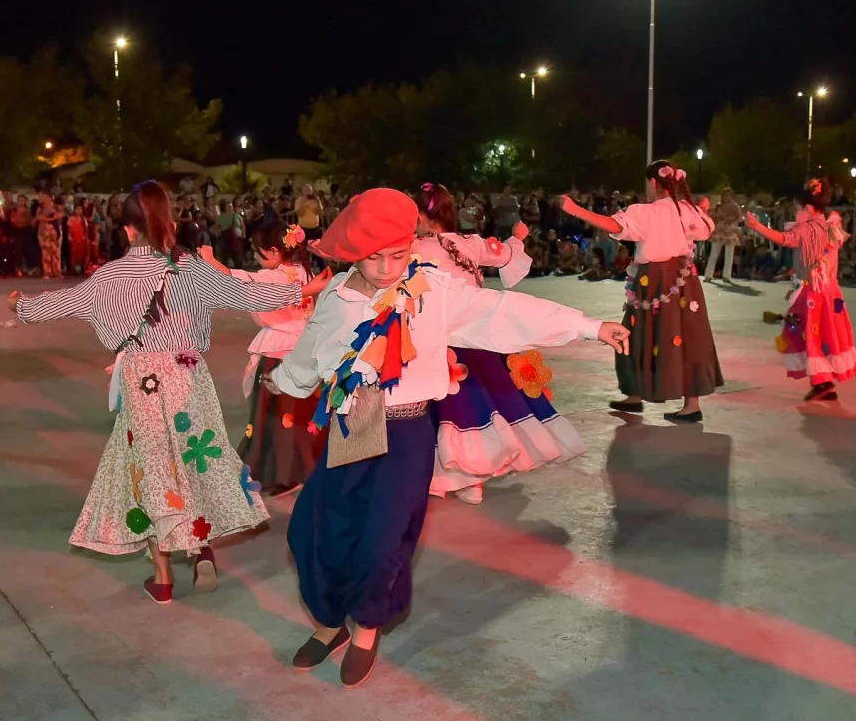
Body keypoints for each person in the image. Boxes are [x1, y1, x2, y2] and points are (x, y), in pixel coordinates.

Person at [269, 188, 628, 688]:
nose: (387, 267)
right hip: (351, 424)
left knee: (381, 542)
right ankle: (330, 623)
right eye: (375, 257)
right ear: (354, 250)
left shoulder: (431, 291)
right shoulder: (336, 296)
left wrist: (588, 326)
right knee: (311, 531)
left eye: (398, 254)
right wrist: (284, 384)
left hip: (408, 428)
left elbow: (502, 312)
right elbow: (309, 357)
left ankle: (367, 628)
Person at [8, 181, 332, 603]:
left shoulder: (107, 277)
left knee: (150, 467)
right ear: (169, 221)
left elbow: (53, 306)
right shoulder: (189, 269)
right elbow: (242, 292)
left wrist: (19, 304)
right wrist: (302, 290)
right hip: (187, 374)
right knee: (196, 456)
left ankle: (161, 578)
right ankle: (201, 548)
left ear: (127, 230)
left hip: (140, 378)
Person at [414, 183, 586, 504]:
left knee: (450, 409)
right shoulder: (472, 243)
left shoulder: (413, 249)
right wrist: (518, 236)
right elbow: (506, 255)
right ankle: (467, 479)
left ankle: (454, 477)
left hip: (440, 342)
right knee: (474, 408)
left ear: (422, 217)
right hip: (477, 339)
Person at [558, 159, 722, 423]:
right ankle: (687, 403)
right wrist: (701, 208)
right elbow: (706, 229)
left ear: (653, 183)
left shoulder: (646, 212)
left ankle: (636, 393)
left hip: (655, 281)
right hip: (683, 281)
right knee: (688, 335)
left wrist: (575, 209)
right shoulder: (685, 210)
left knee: (638, 334)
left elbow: (614, 225)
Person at [202, 220, 326, 495]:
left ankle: (284, 473)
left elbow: (240, 281)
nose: (257, 260)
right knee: (299, 416)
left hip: (278, 352)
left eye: (259, 254)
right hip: (302, 349)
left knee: (275, 417)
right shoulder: (301, 270)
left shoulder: (277, 277)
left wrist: (210, 261)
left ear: (273, 251)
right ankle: (302, 467)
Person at [746, 178, 856, 400]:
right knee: (823, 334)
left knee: (805, 333)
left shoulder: (809, 229)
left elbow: (785, 239)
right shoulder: (830, 225)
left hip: (812, 294)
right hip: (829, 291)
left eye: (797, 208)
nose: (795, 213)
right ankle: (824, 382)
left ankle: (822, 382)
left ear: (807, 208)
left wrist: (757, 226)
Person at [703, 189, 742, 283]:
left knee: (729, 255)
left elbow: (739, 218)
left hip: (730, 231)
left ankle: (726, 276)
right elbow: (714, 217)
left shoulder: (735, 206)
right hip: (719, 231)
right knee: (714, 254)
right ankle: (708, 275)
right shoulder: (718, 206)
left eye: (729, 195)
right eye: (725, 195)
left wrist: (732, 221)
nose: (727, 197)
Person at [35, 193, 62, 278]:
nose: (43, 198)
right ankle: (47, 271)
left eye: (45, 197)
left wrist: (53, 218)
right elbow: (38, 216)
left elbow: (60, 214)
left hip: (55, 230)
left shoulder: (56, 207)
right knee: (45, 252)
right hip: (44, 231)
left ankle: (57, 271)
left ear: (50, 197)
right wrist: (48, 219)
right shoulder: (40, 207)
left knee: (56, 251)